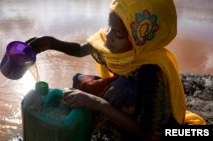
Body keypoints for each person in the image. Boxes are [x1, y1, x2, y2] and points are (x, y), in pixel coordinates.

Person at [26, 0, 206, 140]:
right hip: (124, 95)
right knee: (79, 80)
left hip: (147, 123)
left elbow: (149, 134)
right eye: (109, 27)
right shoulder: (116, 44)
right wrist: (50, 42)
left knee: (121, 90)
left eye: (118, 34)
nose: (109, 37)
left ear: (138, 40)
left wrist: (96, 104)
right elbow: (81, 50)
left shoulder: (151, 71)